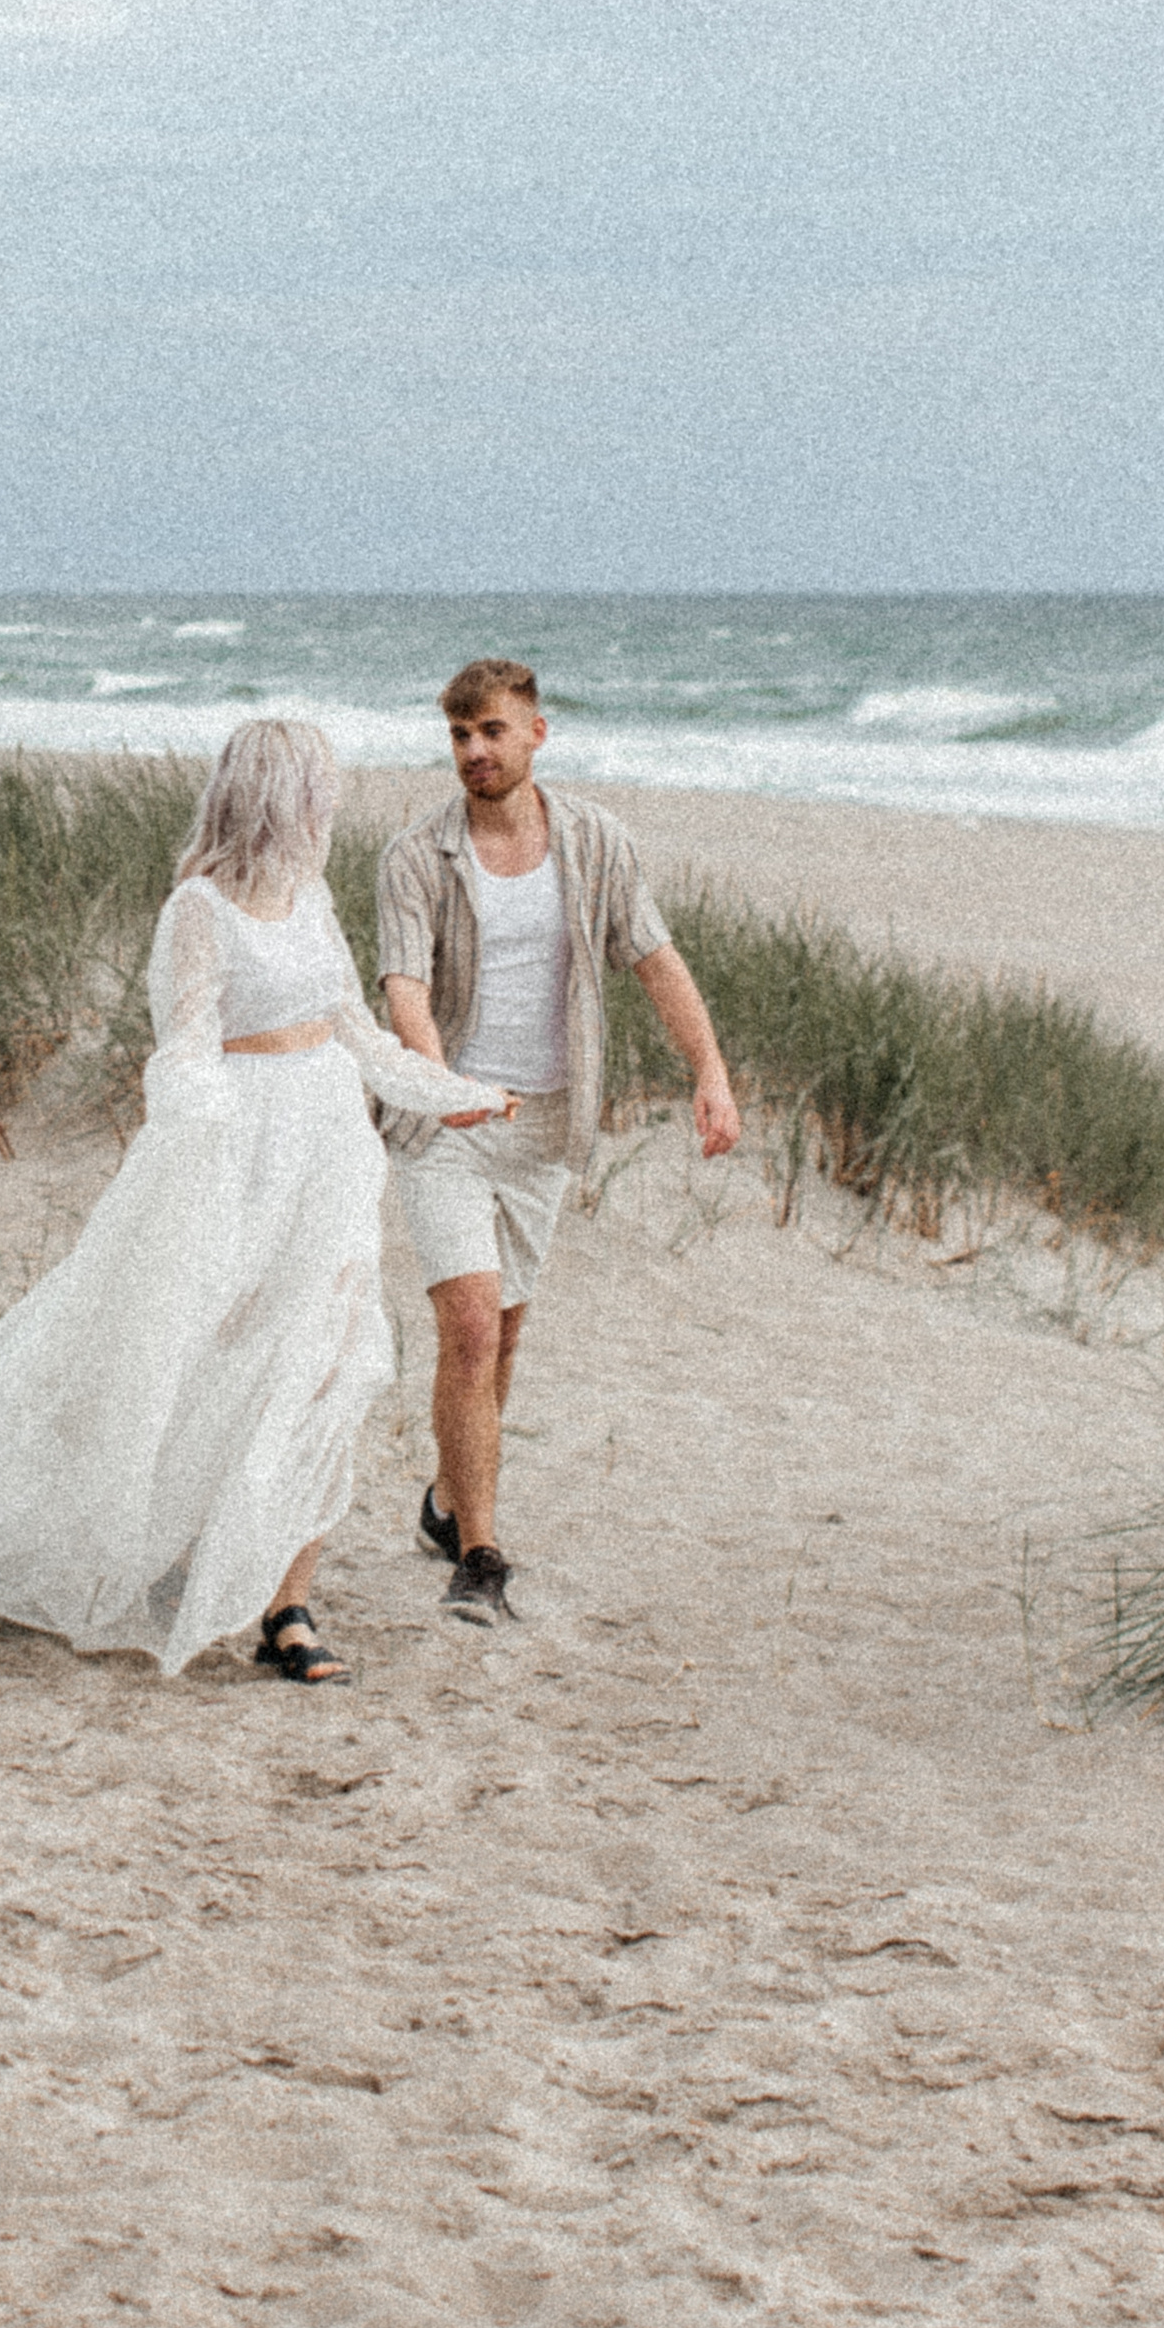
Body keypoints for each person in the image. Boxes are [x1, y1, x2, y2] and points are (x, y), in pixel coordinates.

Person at [0, 719, 511, 1685]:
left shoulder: (312, 897)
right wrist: (204, 1131)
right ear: (277, 797)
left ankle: (289, 1606)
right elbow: (184, 1045)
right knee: (212, 1356)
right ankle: (180, 1546)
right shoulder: (199, 908)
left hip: (330, 1149)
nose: (331, 805)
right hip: (241, 1150)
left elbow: (358, 1034)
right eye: (318, 789)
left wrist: (454, 1093)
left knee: (329, 1364)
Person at [376, 657, 740, 1627]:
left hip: (544, 1123)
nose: (474, 751)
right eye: (459, 735)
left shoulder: (595, 841)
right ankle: (480, 1557)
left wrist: (709, 1070)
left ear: (536, 732)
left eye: (491, 731)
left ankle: (448, 1500)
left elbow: (655, 959)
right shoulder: (415, 856)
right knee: (468, 1328)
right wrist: (442, 1088)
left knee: (504, 1334)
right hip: (444, 1124)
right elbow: (405, 988)